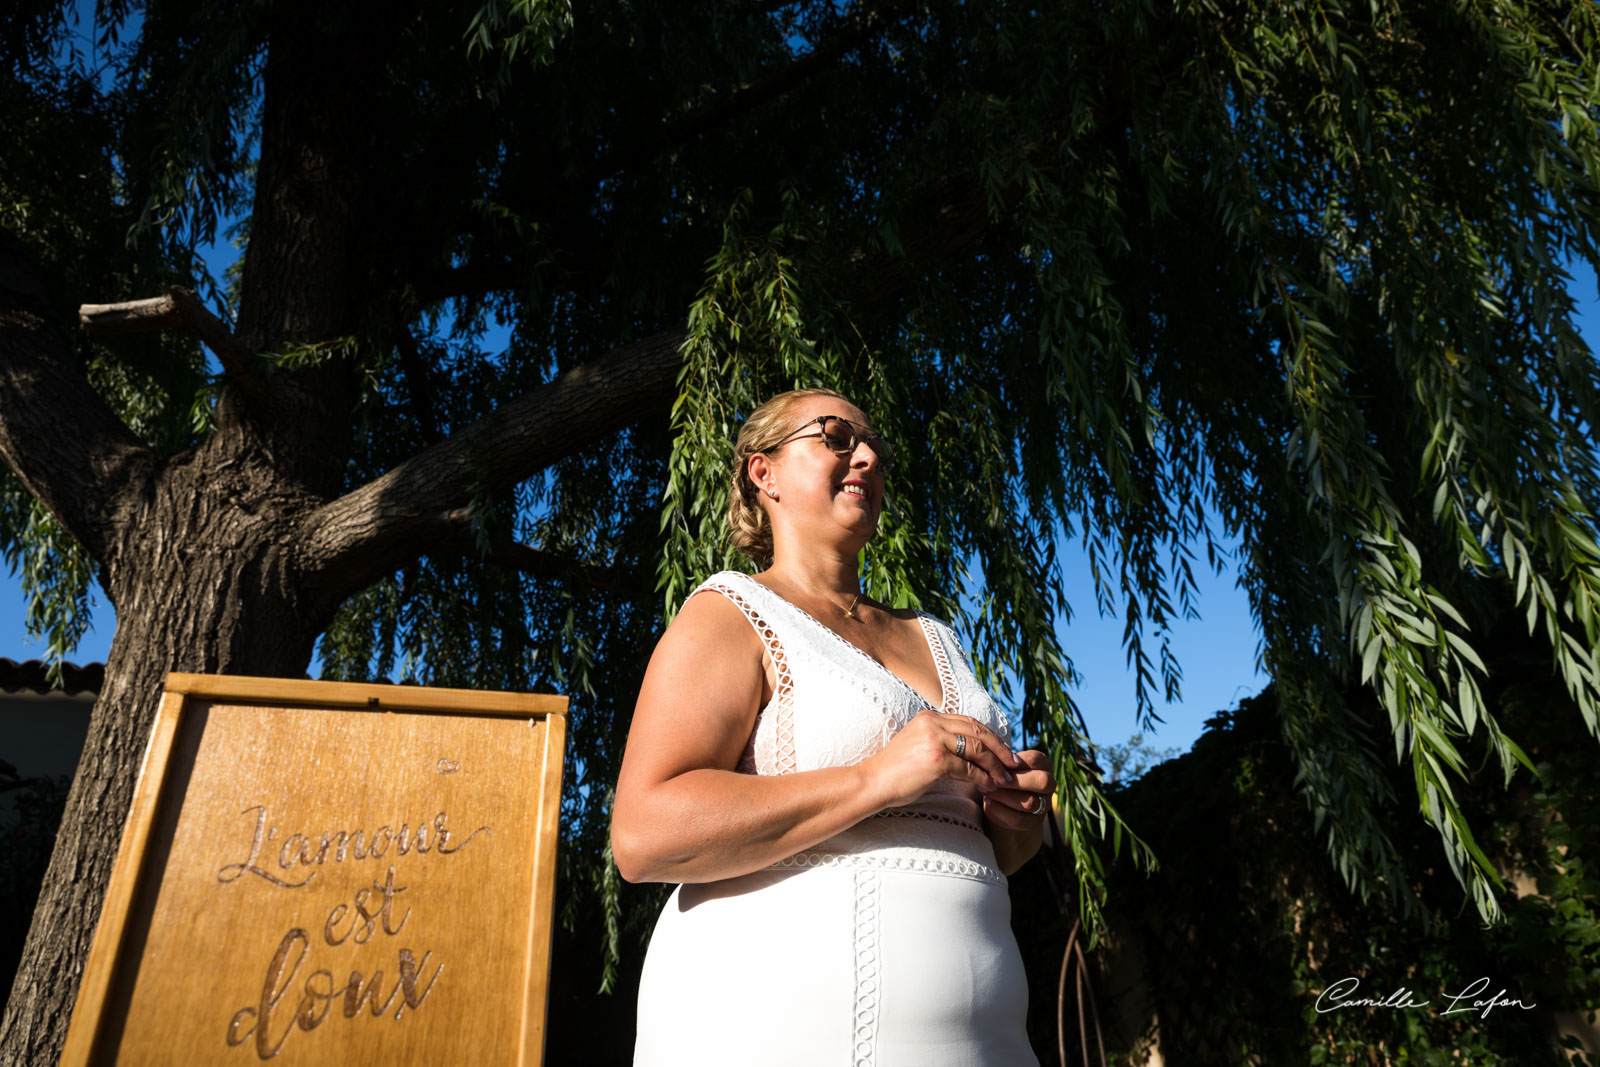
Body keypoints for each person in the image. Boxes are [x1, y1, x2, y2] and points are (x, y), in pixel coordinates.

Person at [611, 387, 1055, 1066]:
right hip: (774, 1031)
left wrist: (1016, 818)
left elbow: (994, 853)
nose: (869, 456)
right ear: (765, 473)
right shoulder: (730, 611)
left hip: (989, 1037)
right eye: (836, 437)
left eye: (874, 444)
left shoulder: (937, 635)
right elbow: (644, 834)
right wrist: (876, 776)